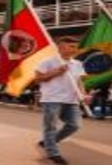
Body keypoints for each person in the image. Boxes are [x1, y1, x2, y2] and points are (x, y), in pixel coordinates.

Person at [35, 37, 89, 165]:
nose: (74, 49)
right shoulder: (47, 61)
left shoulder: (77, 64)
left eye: (76, 46)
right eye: (71, 46)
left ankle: (48, 142)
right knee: (51, 127)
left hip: (72, 100)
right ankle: (53, 153)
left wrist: (83, 95)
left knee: (74, 125)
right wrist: (56, 72)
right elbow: (37, 79)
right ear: (60, 47)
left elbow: (79, 81)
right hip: (52, 99)